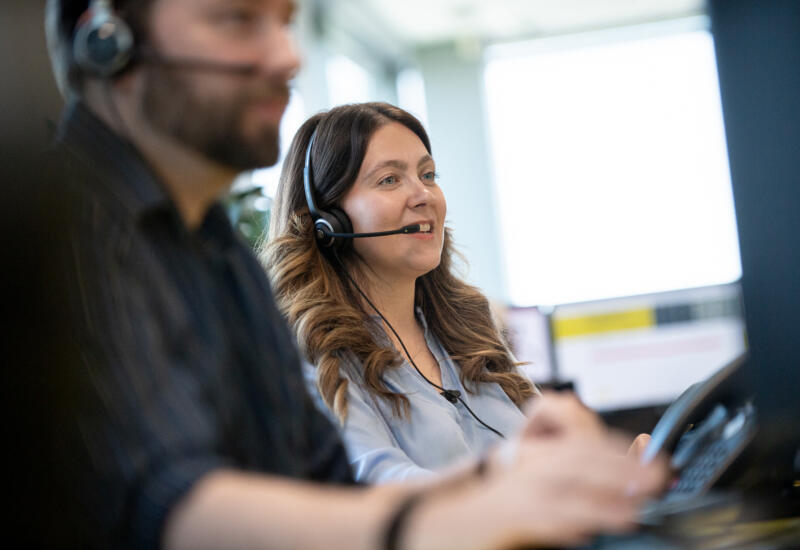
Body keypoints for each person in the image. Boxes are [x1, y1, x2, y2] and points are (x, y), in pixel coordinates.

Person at [34, 0, 667, 548]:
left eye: (284, 22)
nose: (287, 56)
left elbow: (328, 482)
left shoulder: (217, 256)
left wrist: (529, 476)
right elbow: (162, 501)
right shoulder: (63, 240)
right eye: (236, 20)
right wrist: (450, 521)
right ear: (106, 40)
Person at [263, 102, 541, 483]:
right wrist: (518, 485)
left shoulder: (467, 326)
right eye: (390, 180)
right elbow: (376, 480)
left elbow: (548, 448)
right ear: (329, 220)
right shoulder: (314, 352)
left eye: (428, 174)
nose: (422, 194)